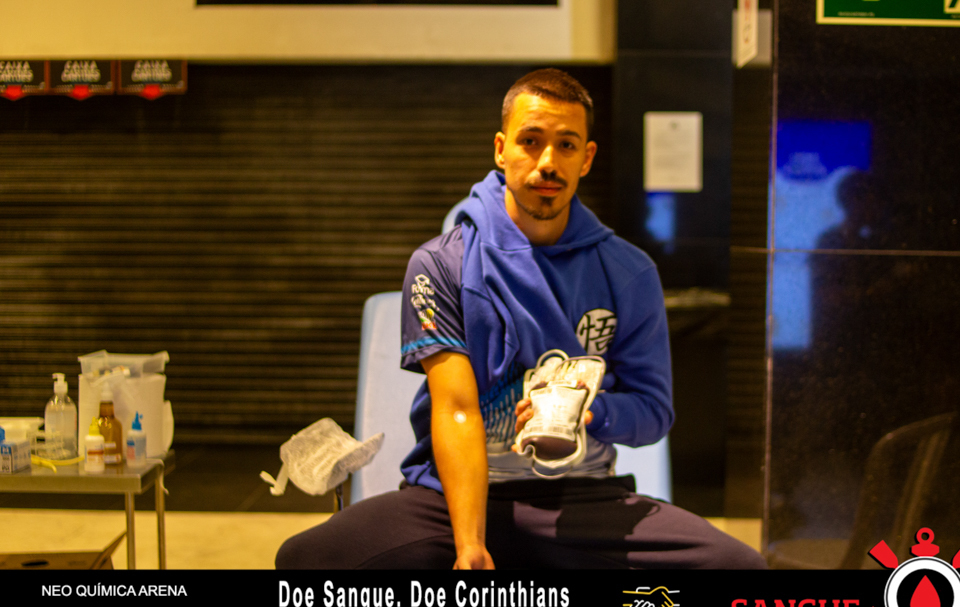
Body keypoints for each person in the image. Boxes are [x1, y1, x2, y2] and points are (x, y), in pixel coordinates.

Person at [276, 69, 765, 570]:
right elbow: (457, 410)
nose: (547, 162)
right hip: (452, 499)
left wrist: (591, 410)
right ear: (501, 149)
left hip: (582, 497)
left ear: (586, 158)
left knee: (739, 569)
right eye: (530, 141)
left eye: (566, 145)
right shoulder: (441, 264)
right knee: (307, 559)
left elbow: (653, 413)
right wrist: (470, 544)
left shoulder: (628, 272)